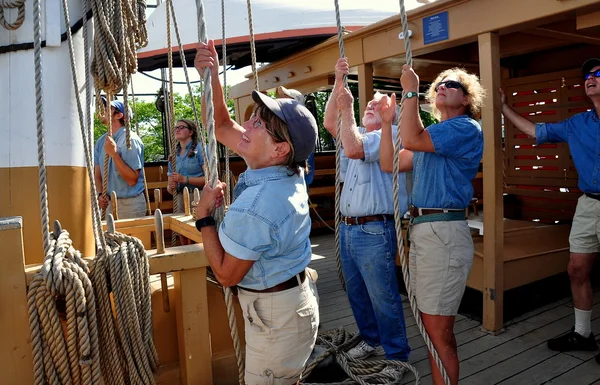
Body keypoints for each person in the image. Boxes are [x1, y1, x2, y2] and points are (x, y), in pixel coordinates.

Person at [194, 39, 319, 385]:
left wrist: (203, 217)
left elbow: (226, 275)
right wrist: (212, 78)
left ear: (280, 148)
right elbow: (221, 126)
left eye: (259, 124)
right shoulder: (287, 168)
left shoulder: (261, 204)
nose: (246, 126)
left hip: (276, 321)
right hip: (289, 308)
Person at [380, 65, 484, 385]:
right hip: (426, 231)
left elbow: (411, 136)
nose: (441, 87)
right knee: (430, 329)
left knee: (439, 332)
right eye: (438, 84)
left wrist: (410, 90)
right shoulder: (434, 139)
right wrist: (386, 125)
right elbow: (389, 162)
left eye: (450, 85)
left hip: (442, 233)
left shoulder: (466, 127)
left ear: (466, 99)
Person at [499, 58, 600, 361]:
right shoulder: (577, 123)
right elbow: (536, 131)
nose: (590, 79)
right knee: (577, 269)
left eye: (598, 74)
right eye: (587, 76)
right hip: (589, 204)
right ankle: (583, 334)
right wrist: (504, 108)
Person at [322, 57, 411, 371]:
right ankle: (372, 339)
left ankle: (397, 355)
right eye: (368, 104)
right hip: (348, 228)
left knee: (383, 296)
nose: (372, 105)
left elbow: (355, 149)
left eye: (379, 104)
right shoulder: (356, 131)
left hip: (374, 229)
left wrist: (347, 108)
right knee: (357, 291)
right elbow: (331, 124)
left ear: (393, 114)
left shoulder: (392, 136)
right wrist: (338, 81)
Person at [94, 97, 146, 219]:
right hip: (108, 204)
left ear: (119, 115)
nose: (103, 110)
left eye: (108, 108)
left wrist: (114, 155)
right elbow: (97, 175)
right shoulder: (101, 142)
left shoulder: (130, 140)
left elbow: (132, 180)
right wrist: (100, 194)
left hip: (129, 205)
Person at [276, 86, 316, 189]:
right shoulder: (303, 125)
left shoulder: (299, 128)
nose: (281, 98)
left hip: (293, 180)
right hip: (292, 179)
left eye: (285, 97)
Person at [167, 118, 206, 209]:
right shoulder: (173, 155)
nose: (177, 129)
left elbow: (210, 179)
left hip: (199, 196)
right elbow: (169, 188)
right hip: (180, 199)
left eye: (181, 127)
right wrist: (171, 187)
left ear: (190, 132)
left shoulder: (201, 149)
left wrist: (185, 179)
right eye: (176, 128)